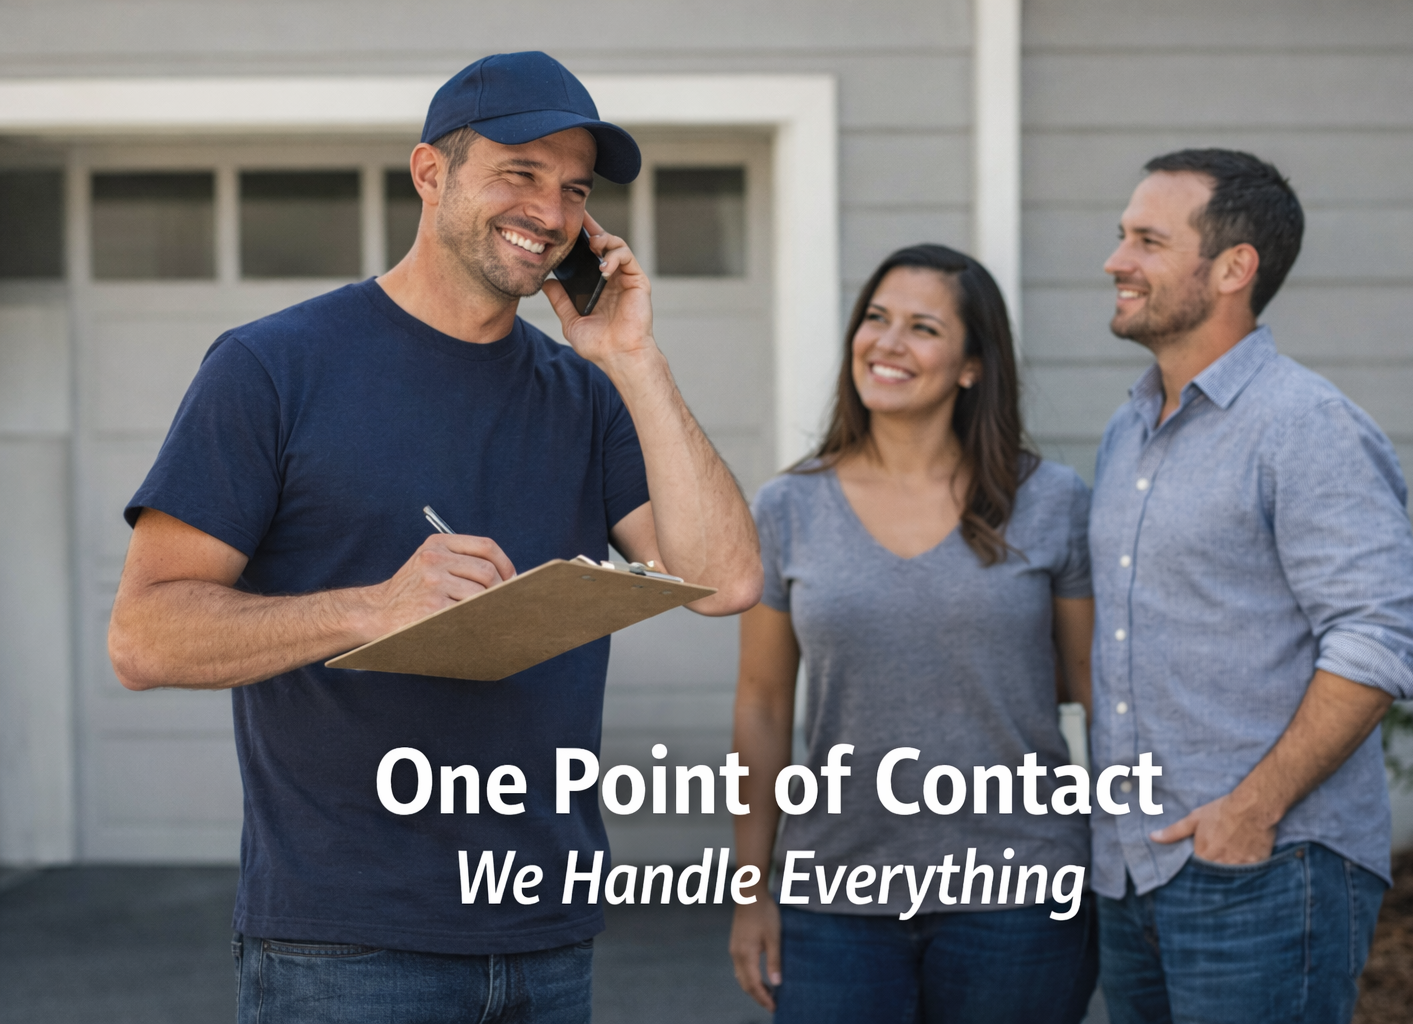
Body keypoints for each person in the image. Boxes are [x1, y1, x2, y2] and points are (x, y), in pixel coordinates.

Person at [106, 51, 760, 1023]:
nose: (552, 210)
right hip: (345, 942)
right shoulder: (273, 367)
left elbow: (726, 582)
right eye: (520, 172)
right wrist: (374, 608)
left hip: (544, 927)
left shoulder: (586, 394)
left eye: (575, 189)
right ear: (431, 173)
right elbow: (142, 637)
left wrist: (633, 355)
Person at [1089, 148, 1413, 1023]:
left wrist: (1252, 811)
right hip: (1136, 869)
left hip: (1267, 866)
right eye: (1121, 235)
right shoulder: (1127, 432)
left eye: (1147, 241)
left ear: (1234, 268)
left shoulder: (1305, 426)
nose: (1115, 261)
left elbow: (1379, 639)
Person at [728, 244, 1099, 1024]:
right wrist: (751, 889)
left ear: (972, 365)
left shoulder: (1053, 503)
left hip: (1020, 895)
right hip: (833, 897)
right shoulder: (788, 507)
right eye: (875, 318)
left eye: (923, 328)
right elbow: (762, 706)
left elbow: (1095, 688)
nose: (887, 344)